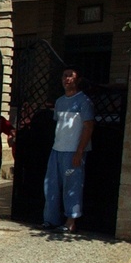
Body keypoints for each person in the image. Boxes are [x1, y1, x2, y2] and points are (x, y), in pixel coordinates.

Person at [42, 67, 95, 233]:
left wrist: (80, 151)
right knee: (51, 185)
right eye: (64, 76)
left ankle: (70, 221)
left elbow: (88, 127)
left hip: (73, 150)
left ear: (77, 80)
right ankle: (50, 220)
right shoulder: (59, 102)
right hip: (57, 149)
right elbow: (59, 124)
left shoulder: (84, 101)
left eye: (71, 76)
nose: (67, 79)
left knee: (71, 185)